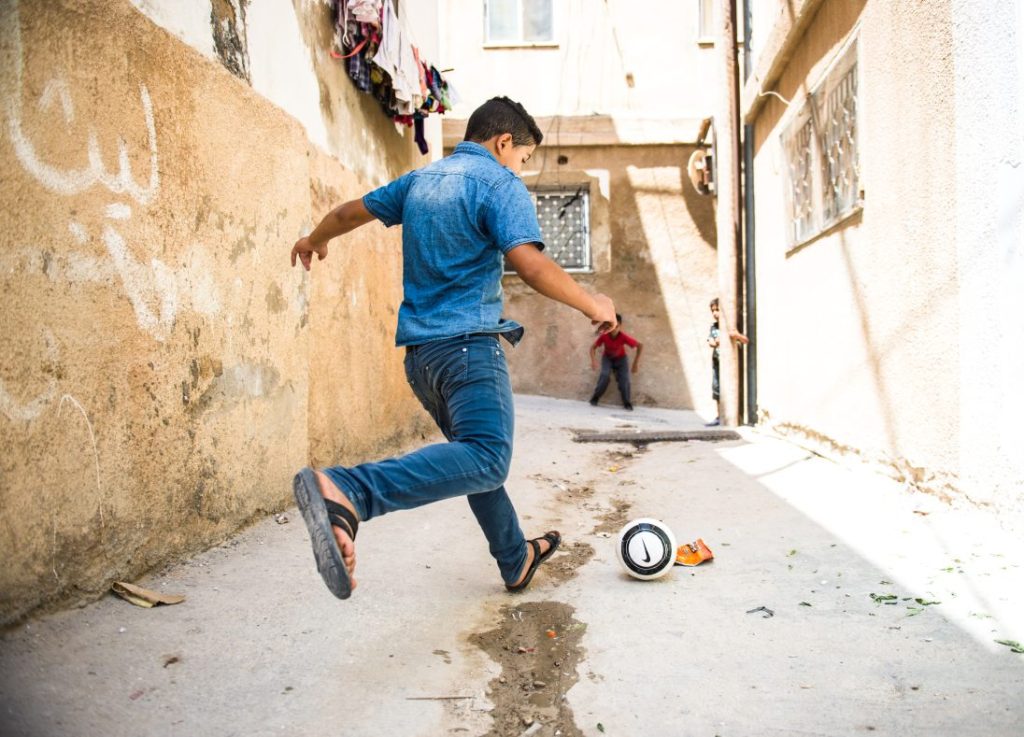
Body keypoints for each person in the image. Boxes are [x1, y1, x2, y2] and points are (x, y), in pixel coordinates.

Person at [288, 96, 617, 600]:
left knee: (471, 460)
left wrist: (315, 240)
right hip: (468, 351)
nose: (520, 170)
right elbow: (528, 263)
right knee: (486, 457)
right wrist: (592, 302)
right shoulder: (498, 183)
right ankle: (351, 491)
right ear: (504, 142)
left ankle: (515, 558)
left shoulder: (420, 180)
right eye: (523, 159)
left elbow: (346, 212)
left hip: (422, 361)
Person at [706, 297, 748, 426]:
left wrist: (737, 336)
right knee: (717, 388)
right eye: (713, 310)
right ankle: (719, 416)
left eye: (717, 310)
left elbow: (746, 340)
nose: (715, 313)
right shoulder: (714, 327)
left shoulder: (734, 326)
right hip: (717, 363)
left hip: (733, 365)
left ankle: (736, 416)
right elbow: (711, 342)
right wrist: (717, 341)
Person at [588, 313, 642, 410]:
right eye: (611, 326)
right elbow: (593, 348)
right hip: (607, 358)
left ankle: (627, 402)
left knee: (625, 379)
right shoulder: (604, 336)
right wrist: (593, 361)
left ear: (620, 325)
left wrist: (635, 363)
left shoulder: (623, 337)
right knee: (605, 375)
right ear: (608, 326)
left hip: (621, 360)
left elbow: (640, 346)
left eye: (616, 326)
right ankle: (595, 397)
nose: (614, 329)